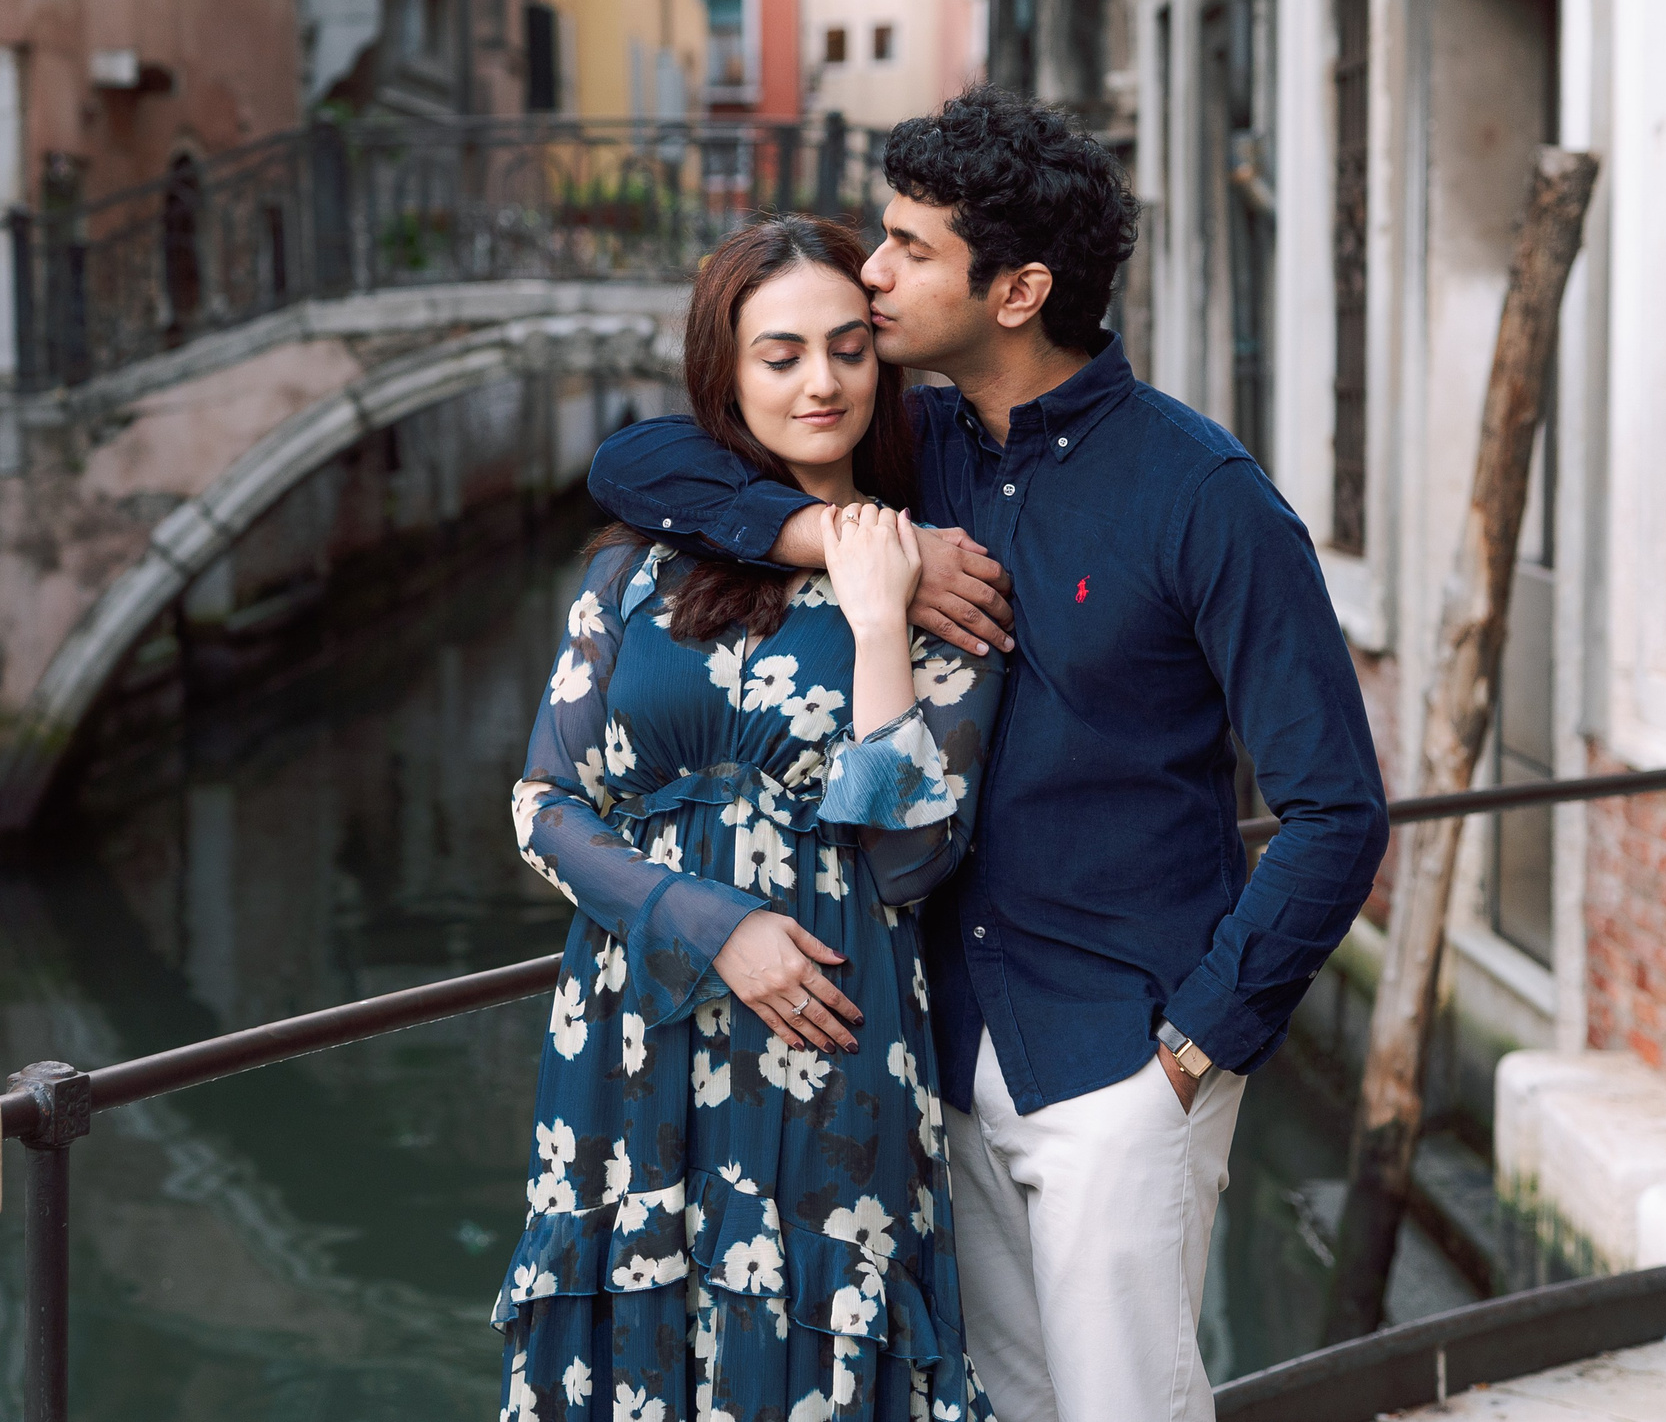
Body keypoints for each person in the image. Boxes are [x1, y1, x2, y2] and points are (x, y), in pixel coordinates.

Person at [587, 87, 1390, 1422]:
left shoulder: (1207, 498)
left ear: (1015, 289)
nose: (872, 272)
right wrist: (830, 544)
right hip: (936, 1045)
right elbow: (641, 461)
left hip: (1121, 1052)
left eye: (906, 247)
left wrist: (1194, 1048)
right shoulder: (911, 447)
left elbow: (1336, 810)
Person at [495, 216, 1009, 1422]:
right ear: (726, 371)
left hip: (832, 1032)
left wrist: (881, 618)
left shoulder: (942, 585)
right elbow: (542, 805)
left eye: (846, 348)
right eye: (780, 355)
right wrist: (707, 921)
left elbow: (904, 862)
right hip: (630, 1020)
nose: (819, 381)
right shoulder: (633, 571)